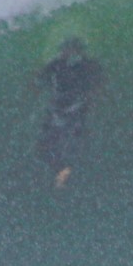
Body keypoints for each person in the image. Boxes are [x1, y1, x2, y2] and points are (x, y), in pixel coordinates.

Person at [35, 37, 104, 188]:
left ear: (79, 51)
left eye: (71, 49)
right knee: (46, 144)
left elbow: (97, 86)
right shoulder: (56, 65)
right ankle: (56, 174)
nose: (66, 53)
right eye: (65, 50)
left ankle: (66, 176)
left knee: (73, 145)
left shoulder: (88, 65)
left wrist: (93, 101)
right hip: (57, 109)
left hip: (77, 109)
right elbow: (38, 80)